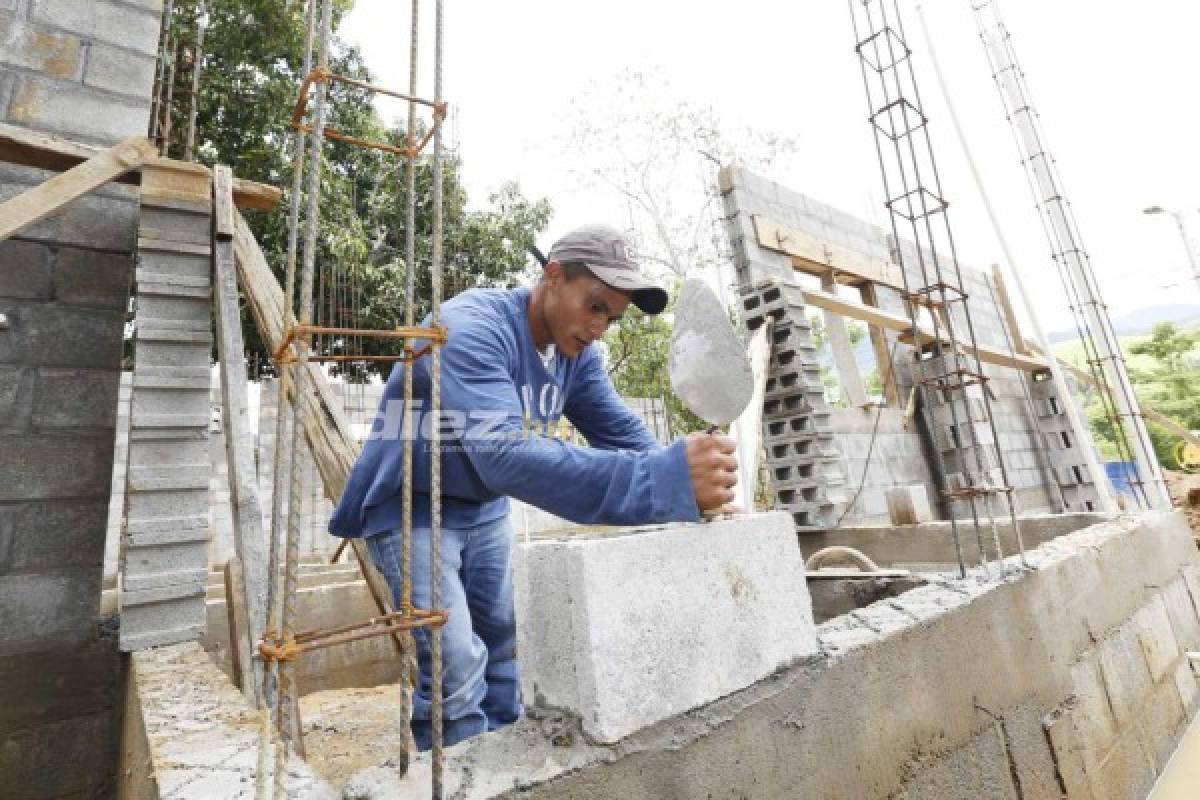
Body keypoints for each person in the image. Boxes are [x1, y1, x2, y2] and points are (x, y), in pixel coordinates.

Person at [329, 223, 738, 749]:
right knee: (453, 664)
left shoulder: (576, 355)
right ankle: (460, 777)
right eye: (594, 307)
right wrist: (667, 480)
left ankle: (502, 760)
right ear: (552, 276)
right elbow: (501, 455)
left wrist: (696, 485)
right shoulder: (468, 327)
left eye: (612, 318)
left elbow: (619, 432)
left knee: (502, 647)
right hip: (412, 506)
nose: (600, 329)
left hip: (483, 507)